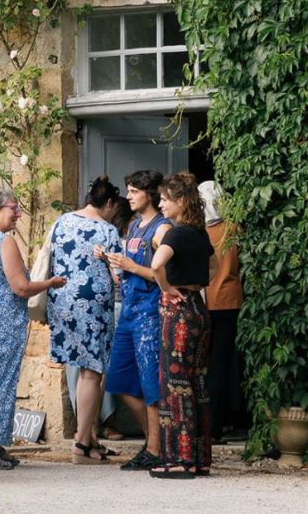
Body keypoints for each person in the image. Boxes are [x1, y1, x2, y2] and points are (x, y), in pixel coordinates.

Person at [0, 187, 65, 470]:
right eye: (13, 208)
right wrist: (50, 283)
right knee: (0, 383)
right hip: (3, 323)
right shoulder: (4, 242)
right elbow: (21, 287)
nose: (18, 214)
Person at [100, 169, 172, 472]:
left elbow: (165, 275)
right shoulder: (133, 225)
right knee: (116, 379)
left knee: (151, 384)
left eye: (134, 191)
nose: (128, 197)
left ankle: (155, 449)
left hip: (149, 313)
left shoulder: (162, 228)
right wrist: (112, 261)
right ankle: (155, 441)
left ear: (150, 194)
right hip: (128, 311)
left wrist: (130, 266)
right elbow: (128, 268)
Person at [46, 176, 121, 464]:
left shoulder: (61, 222)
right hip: (92, 306)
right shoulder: (107, 230)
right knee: (92, 372)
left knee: (80, 368)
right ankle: (81, 444)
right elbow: (118, 272)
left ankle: (89, 438)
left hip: (62, 301)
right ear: (109, 203)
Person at [149, 171, 215, 479]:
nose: (161, 205)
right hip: (198, 307)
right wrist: (194, 285)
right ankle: (200, 458)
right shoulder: (200, 234)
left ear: (181, 201)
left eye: (165, 199)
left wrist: (166, 289)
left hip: (179, 312)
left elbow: (156, 264)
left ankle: (179, 459)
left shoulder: (175, 234)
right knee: (197, 382)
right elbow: (213, 267)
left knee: (175, 383)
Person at [199, 180, 245, 443]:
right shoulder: (234, 229)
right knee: (222, 364)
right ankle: (219, 423)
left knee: (204, 364)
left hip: (204, 301)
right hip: (229, 302)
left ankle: (207, 424)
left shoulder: (198, 232)